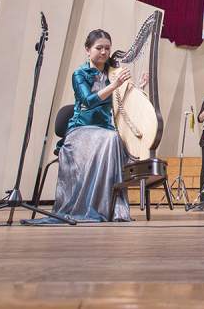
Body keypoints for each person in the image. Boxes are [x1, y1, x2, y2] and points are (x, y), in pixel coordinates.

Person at [28, 30, 142, 224]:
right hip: (81, 130)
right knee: (112, 139)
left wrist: (140, 86)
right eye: (99, 48)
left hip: (104, 130)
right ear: (88, 50)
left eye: (107, 48)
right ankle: (91, 207)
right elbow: (88, 101)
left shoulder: (111, 74)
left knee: (118, 139)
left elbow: (122, 104)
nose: (104, 52)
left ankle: (111, 208)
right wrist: (114, 85)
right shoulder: (79, 74)